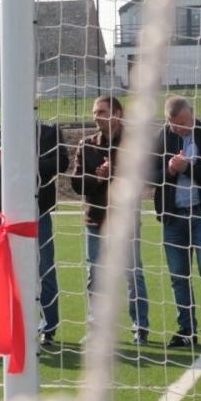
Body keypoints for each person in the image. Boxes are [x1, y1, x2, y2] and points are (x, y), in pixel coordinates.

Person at [0, 116, 68, 349]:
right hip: (4, 214)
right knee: (6, 270)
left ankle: (48, 327)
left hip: (38, 211)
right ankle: (11, 324)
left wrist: (31, 161)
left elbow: (61, 162)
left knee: (44, 268)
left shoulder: (47, 130)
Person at [72, 95, 150, 344]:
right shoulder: (87, 145)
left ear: (117, 113)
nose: (97, 116)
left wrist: (114, 173)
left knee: (132, 274)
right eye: (95, 112)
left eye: (102, 112)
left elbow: (144, 181)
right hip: (95, 220)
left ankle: (140, 326)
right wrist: (98, 177)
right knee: (95, 275)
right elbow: (76, 183)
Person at [151, 95, 201, 350]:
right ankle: (186, 330)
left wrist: (186, 168)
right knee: (178, 277)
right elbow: (151, 176)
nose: (178, 128)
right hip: (173, 218)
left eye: (182, 122)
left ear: (191, 114)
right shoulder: (162, 137)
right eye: (173, 124)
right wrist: (171, 171)